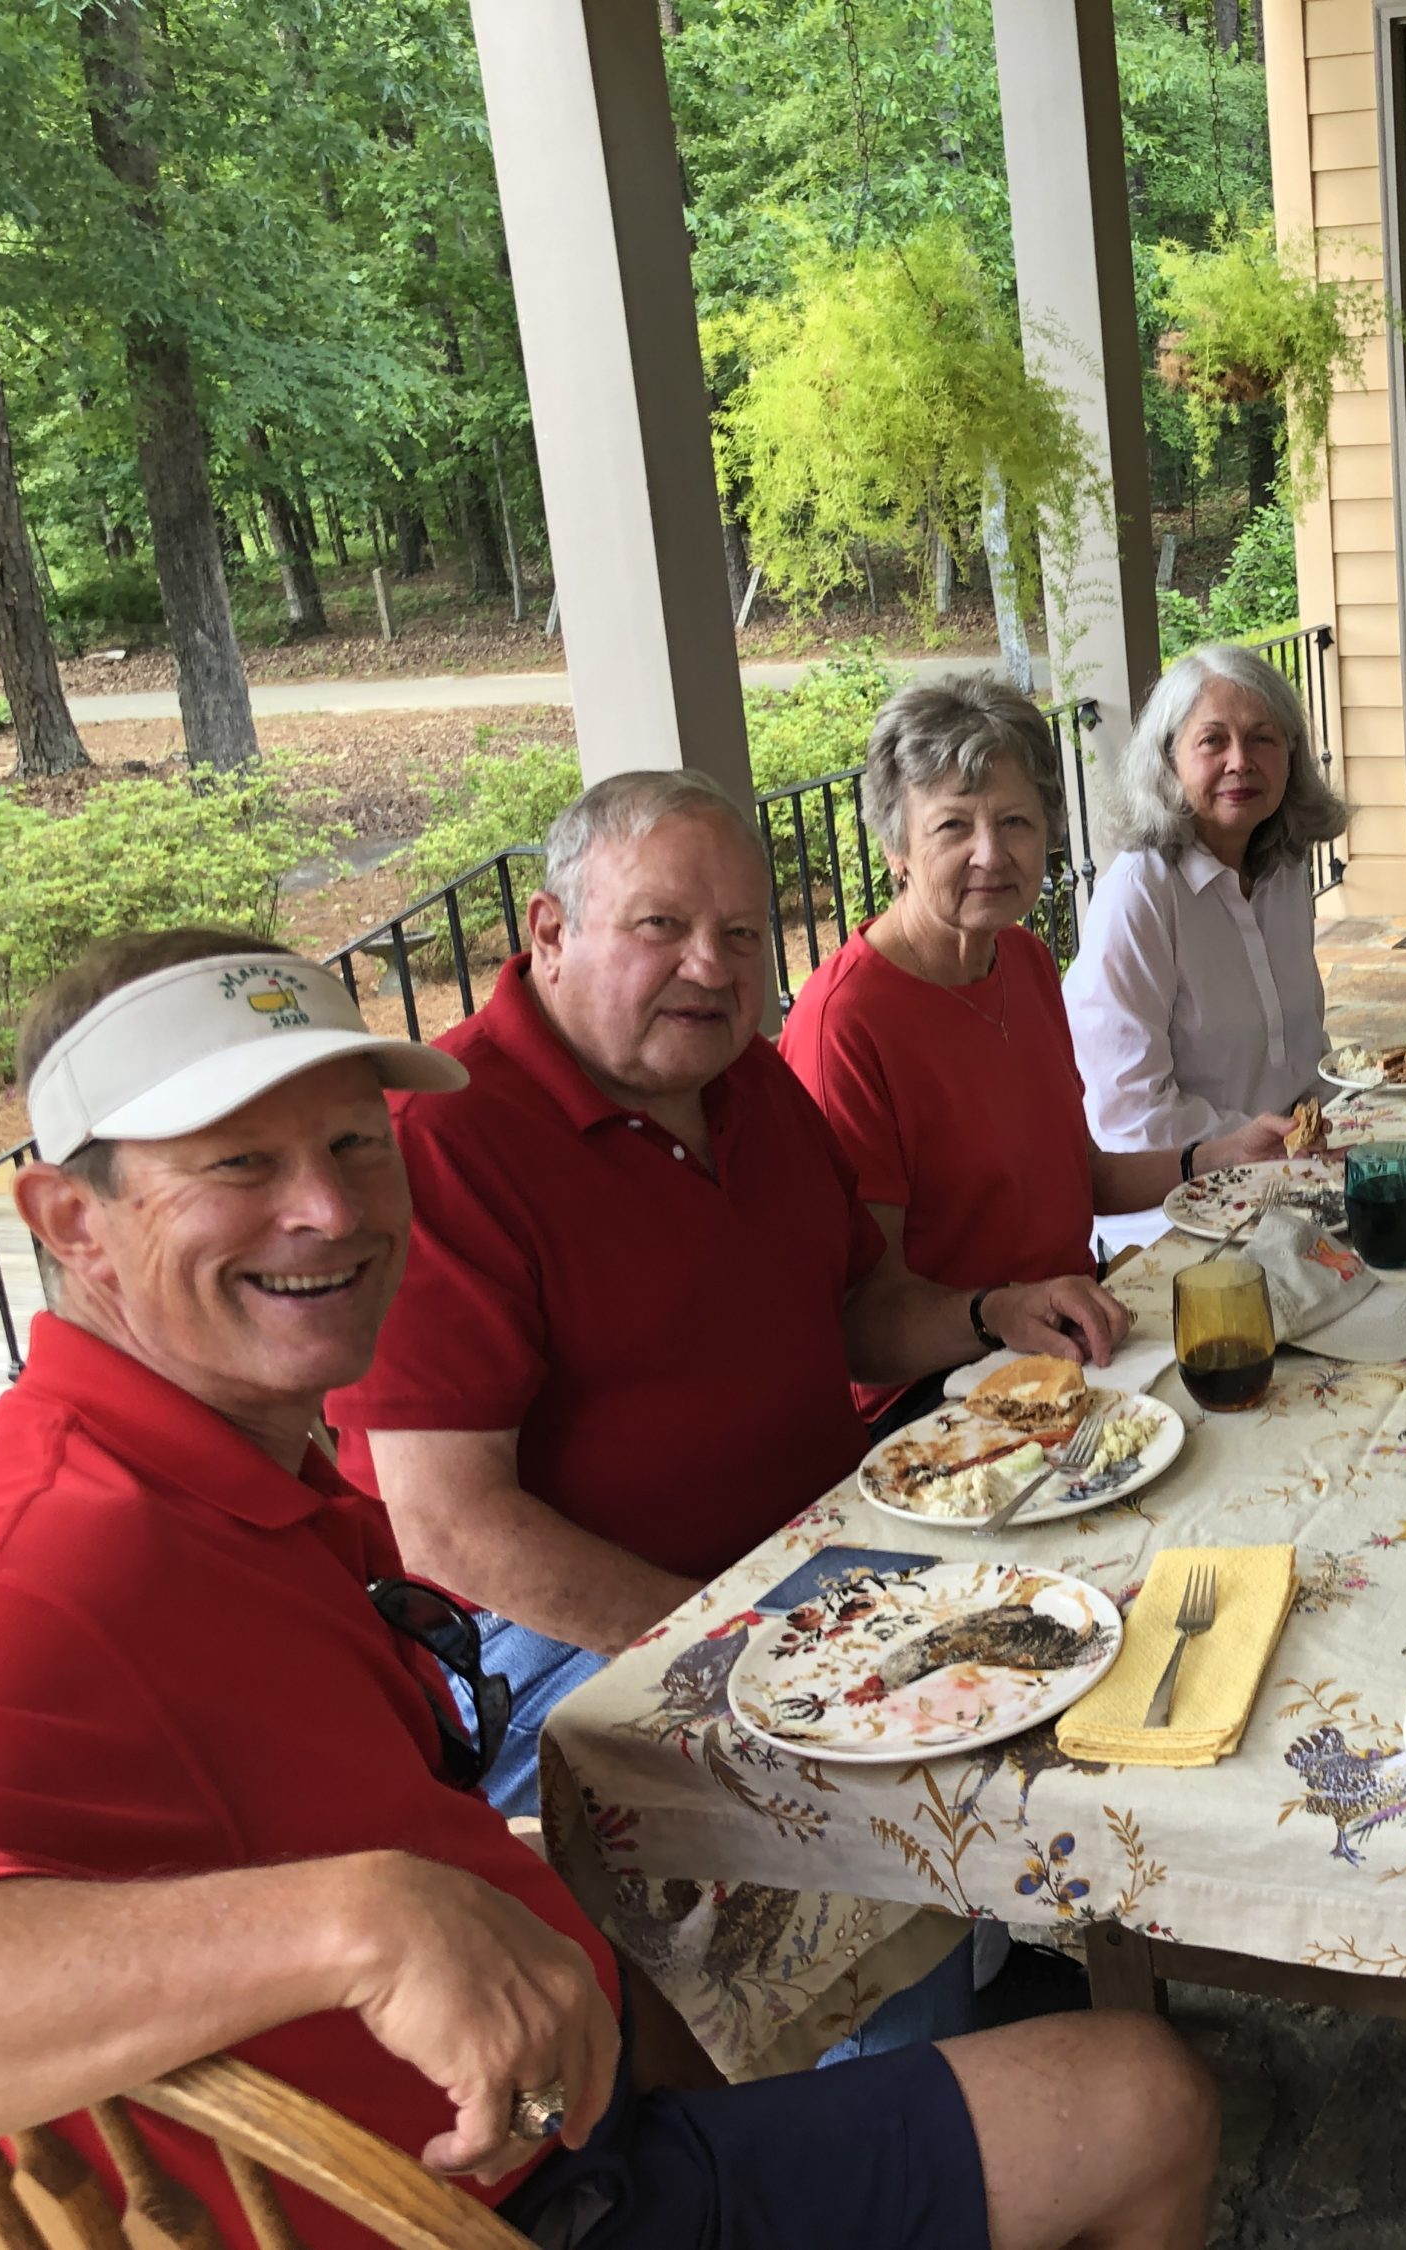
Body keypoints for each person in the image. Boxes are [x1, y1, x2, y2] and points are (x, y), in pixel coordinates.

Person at [0, 927, 1218, 2250]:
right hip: (469, 2210)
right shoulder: (45, 1558)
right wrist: (354, 1921)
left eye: (359, 1142)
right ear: (75, 1223)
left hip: (582, 2144)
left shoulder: (230, 1473)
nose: (332, 1208)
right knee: (1143, 2097)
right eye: (239, 1160)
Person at [328, 769, 1126, 1820]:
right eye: (662, 925)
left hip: (813, 1556)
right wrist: (747, 1636)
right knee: (927, 1787)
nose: (709, 967)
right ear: (551, 931)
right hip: (569, 1641)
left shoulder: (746, 1080)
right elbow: (452, 1529)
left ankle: (999, 1944)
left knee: (1103, 1603)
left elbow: (858, 1311)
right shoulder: (443, 1143)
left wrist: (989, 1313)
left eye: (743, 935)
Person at [782, 673, 1299, 1416]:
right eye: (953, 826)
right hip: (941, 1394)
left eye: (1016, 822)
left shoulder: (1020, 960)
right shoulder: (846, 1023)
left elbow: (1073, 1176)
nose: (992, 853)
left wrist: (1214, 1159)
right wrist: (997, 1312)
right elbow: (858, 1324)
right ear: (896, 846)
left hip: (1076, 1335)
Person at [1063, 642, 1348, 1158]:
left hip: (1290, 1167)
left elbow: (1304, 1062)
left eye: (1262, 739)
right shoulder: (1139, 895)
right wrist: (1259, 1144)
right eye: (1213, 741)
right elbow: (1129, 1117)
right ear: (1169, 759)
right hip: (1179, 1199)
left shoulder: (1284, 870)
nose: (1240, 762)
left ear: (1291, 754)